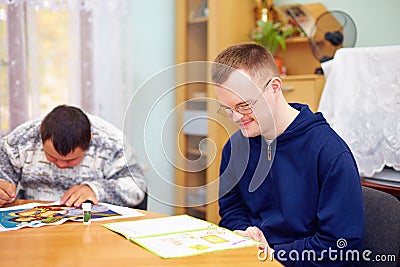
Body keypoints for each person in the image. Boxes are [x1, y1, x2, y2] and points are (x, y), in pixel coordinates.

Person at [210, 43, 365, 266]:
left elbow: (341, 244)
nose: (235, 117)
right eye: (227, 108)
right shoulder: (235, 148)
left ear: (274, 88)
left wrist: (273, 253)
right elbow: (232, 210)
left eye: (244, 105)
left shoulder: (329, 152)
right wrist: (245, 235)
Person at [0, 105, 146, 208]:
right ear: (40, 133)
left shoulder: (111, 142)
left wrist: (96, 190)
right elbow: (3, 179)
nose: (61, 165)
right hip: (33, 227)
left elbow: (137, 186)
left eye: (71, 160)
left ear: (89, 139)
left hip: (93, 228)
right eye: (52, 157)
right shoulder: (20, 140)